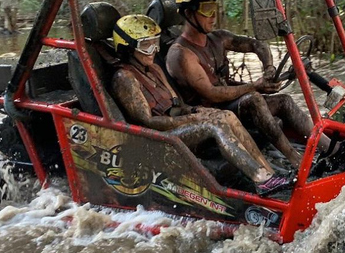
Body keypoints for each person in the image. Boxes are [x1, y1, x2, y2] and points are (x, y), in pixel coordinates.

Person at [107, 14, 292, 196]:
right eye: (146, 46)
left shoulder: (154, 68)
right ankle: (260, 178)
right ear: (127, 47)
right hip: (156, 138)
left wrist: (195, 110)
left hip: (176, 124)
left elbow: (177, 103)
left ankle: (268, 176)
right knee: (214, 126)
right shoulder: (124, 77)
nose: (153, 50)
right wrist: (192, 119)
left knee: (225, 116)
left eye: (154, 43)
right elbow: (148, 122)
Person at [165, 0, 337, 169]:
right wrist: (254, 86)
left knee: (284, 101)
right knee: (254, 100)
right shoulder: (181, 54)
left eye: (214, 8)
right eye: (207, 10)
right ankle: (296, 161)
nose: (213, 16)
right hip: (209, 116)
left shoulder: (219, 38)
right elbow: (210, 94)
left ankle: (332, 149)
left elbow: (258, 45)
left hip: (231, 106)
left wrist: (269, 68)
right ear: (189, 14)